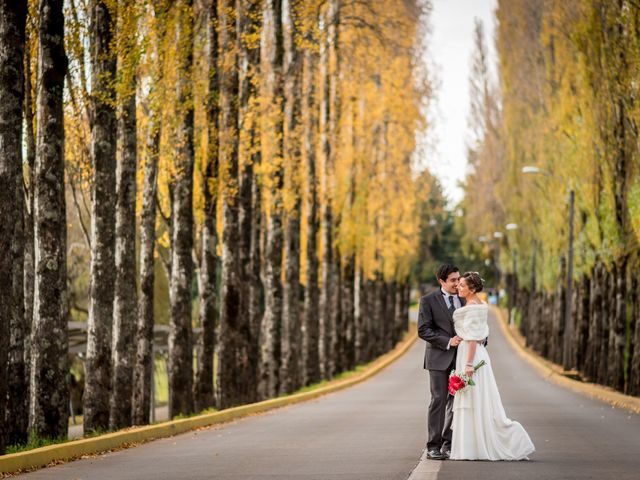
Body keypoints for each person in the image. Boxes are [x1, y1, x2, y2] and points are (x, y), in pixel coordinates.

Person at [450, 271, 535, 460]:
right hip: (476, 352)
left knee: (472, 397)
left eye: (462, 285)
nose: (459, 287)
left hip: (471, 355)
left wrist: (469, 364)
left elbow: (472, 337)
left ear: (472, 289)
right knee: (477, 398)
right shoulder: (480, 305)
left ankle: (474, 446)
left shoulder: (472, 307)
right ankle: (474, 444)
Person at [417, 264, 464, 460]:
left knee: (457, 401)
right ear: (441, 281)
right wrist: (447, 342)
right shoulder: (428, 300)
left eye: (458, 279)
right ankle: (433, 446)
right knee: (438, 400)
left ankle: (449, 443)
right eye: (453, 280)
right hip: (438, 358)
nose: (457, 283)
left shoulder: (465, 298)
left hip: (462, 358)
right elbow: (423, 330)